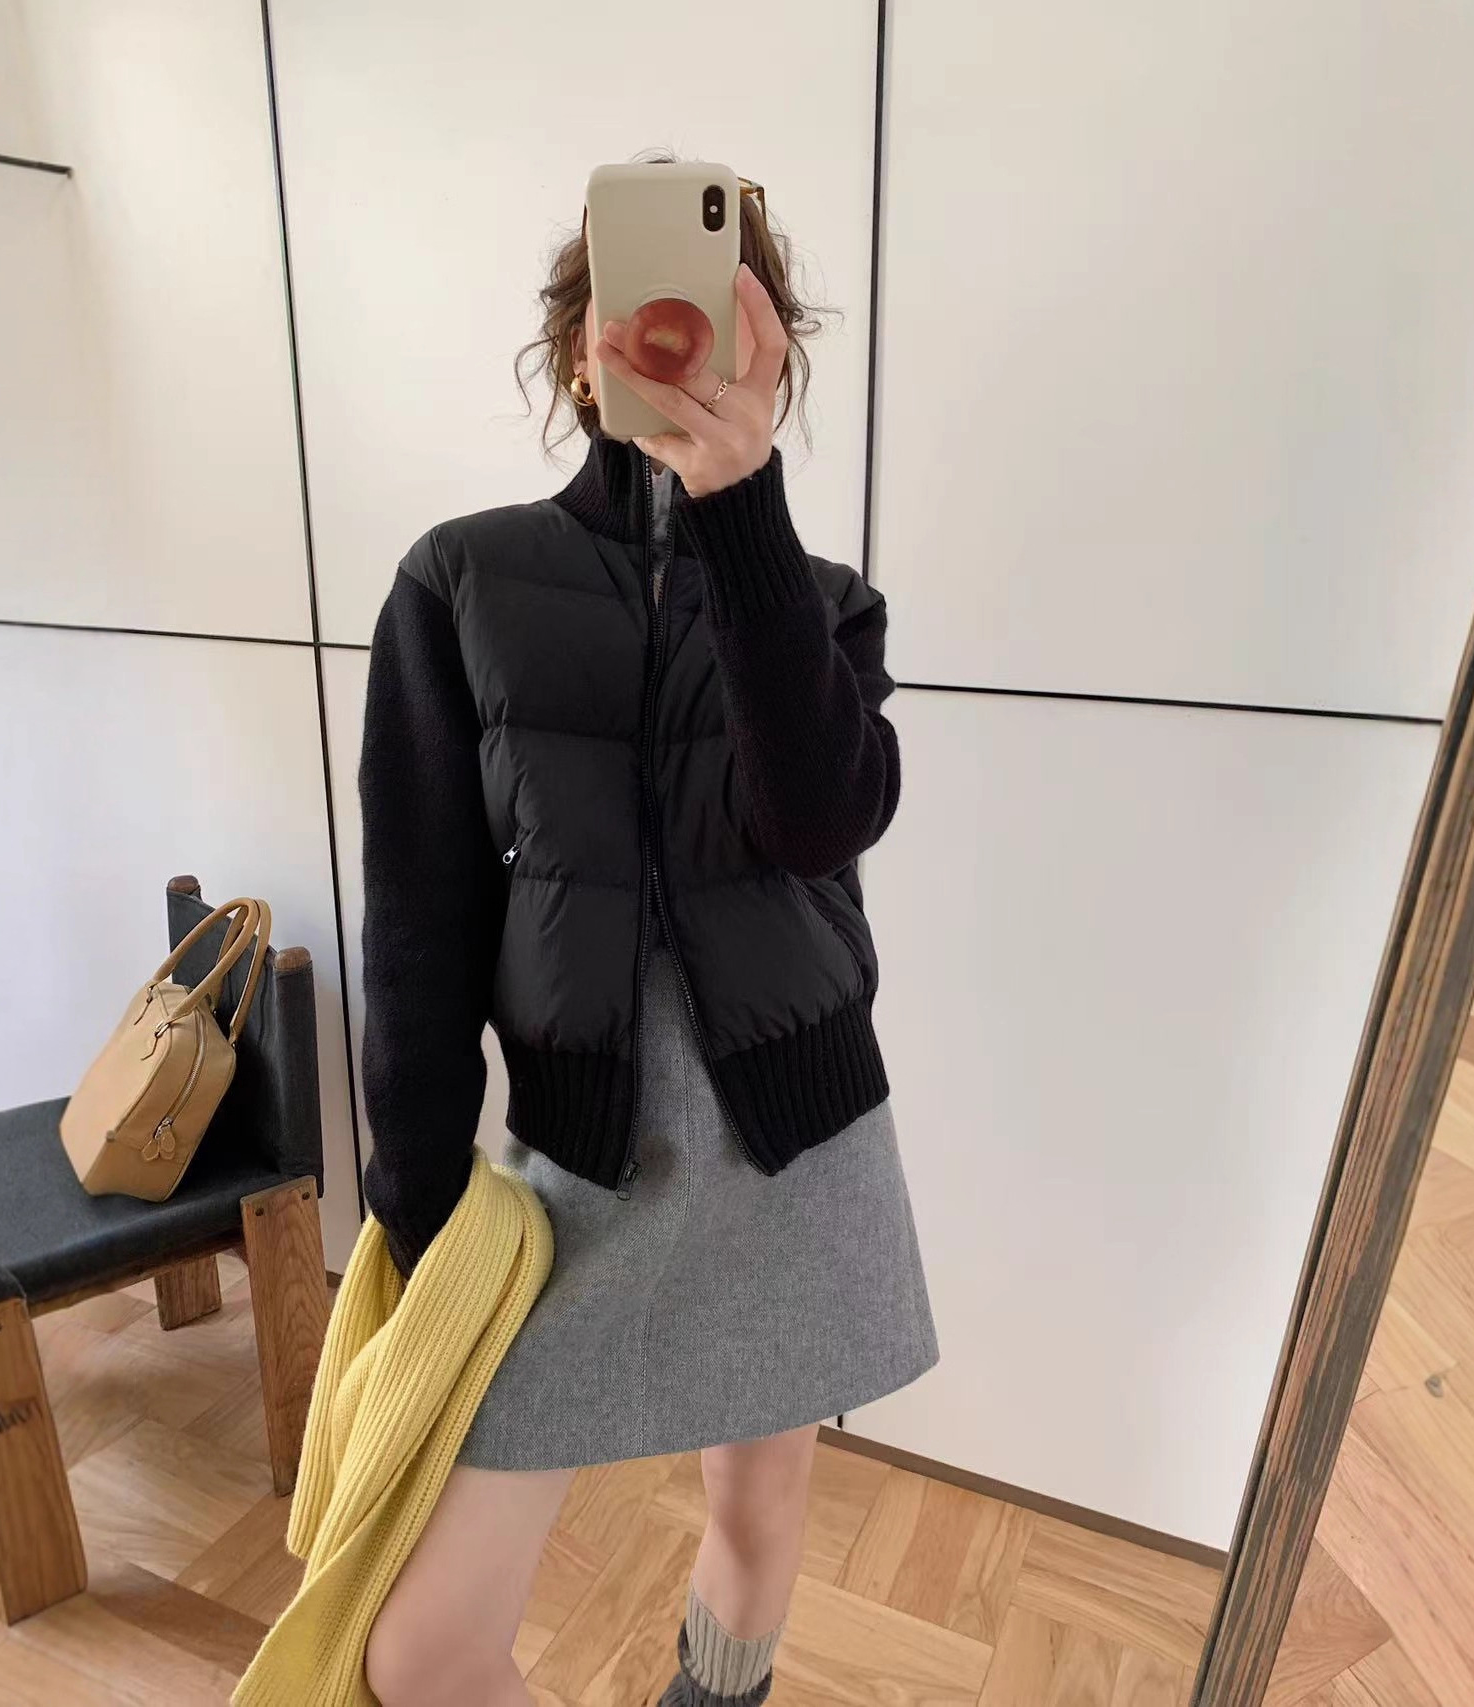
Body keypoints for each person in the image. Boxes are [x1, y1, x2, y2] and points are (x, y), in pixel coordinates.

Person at [358, 169, 939, 1707]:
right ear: (578, 353)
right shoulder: (461, 581)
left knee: (759, 1516)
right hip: (580, 1170)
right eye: (639, 312)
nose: (680, 346)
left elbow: (821, 820)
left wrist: (745, 511)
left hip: (803, 1147)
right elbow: (418, 928)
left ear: (771, 355)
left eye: (726, 322)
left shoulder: (823, 603)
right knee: (421, 1652)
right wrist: (419, 1219)